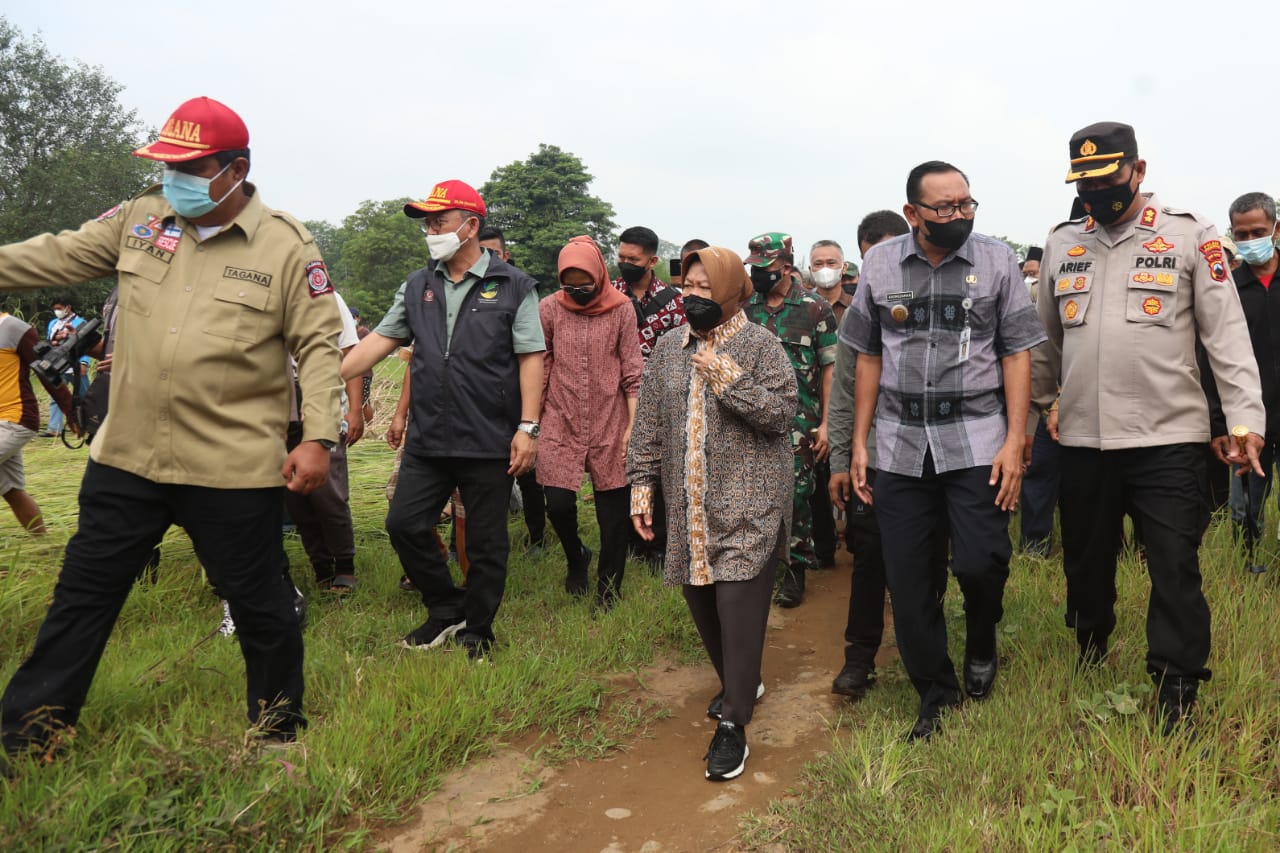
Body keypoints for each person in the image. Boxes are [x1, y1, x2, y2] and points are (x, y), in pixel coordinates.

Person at [0, 96, 343, 771]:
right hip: (127, 455)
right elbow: (55, 256)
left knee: (259, 602)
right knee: (82, 594)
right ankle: (27, 734)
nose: (171, 180)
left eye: (188, 168)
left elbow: (322, 346)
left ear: (234, 169)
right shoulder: (140, 217)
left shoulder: (285, 244)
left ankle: (276, 729)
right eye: (164, 166)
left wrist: (318, 437)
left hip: (230, 465)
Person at [1031, 122, 1265, 735]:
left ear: (1137, 170)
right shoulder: (1063, 243)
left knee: (1173, 564)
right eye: (1085, 183)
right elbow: (1044, 345)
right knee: (1084, 560)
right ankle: (1089, 642)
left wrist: (1243, 421)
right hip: (1083, 438)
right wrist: (1033, 410)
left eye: (1108, 179)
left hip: (1168, 437)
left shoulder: (1190, 235)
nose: (1097, 193)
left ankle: (1178, 681)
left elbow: (1227, 337)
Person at [847, 161, 1045, 742]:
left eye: (966, 204)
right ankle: (937, 693)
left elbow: (1016, 352)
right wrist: (859, 443)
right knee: (907, 581)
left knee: (982, 562)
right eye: (945, 208)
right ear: (913, 214)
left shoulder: (996, 260)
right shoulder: (880, 265)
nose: (959, 215)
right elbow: (867, 355)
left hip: (977, 436)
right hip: (899, 444)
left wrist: (1014, 439)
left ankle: (982, 637)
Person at [341, 179, 544, 660]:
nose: (431, 229)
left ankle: (478, 629)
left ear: (471, 226)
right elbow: (379, 342)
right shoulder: (418, 285)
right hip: (428, 437)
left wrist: (527, 427)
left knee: (486, 541)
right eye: (428, 222)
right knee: (403, 524)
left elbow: (531, 357)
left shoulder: (513, 286)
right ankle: (445, 606)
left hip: (488, 435)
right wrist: (331, 370)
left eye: (440, 220)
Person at [627, 246, 796, 782]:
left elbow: (781, 415)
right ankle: (742, 679)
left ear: (729, 290)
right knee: (702, 602)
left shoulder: (761, 346)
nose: (692, 296)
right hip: (690, 503)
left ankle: (733, 725)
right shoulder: (668, 350)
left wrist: (728, 377)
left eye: (704, 288)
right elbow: (648, 423)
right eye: (687, 286)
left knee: (736, 605)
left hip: (751, 500)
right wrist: (641, 487)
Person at [828, 209, 947, 700]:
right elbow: (844, 390)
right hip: (875, 457)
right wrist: (839, 459)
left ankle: (927, 650)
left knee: (931, 557)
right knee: (870, 556)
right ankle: (860, 657)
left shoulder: (949, 300)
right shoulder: (865, 312)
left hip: (938, 456)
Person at [538, 236, 642, 608]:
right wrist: (531, 423)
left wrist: (632, 425)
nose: (578, 292)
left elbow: (632, 370)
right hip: (560, 418)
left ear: (600, 276)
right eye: (570, 285)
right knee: (558, 505)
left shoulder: (622, 309)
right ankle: (576, 556)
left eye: (586, 285)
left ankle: (608, 590)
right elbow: (542, 365)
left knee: (612, 517)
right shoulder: (549, 309)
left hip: (609, 421)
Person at [744, 232, 837, 607]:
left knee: (797, 496)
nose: (757, 273)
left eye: (763, 267)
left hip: (800, 421)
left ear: (784, 266)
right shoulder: (745, 307)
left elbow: (830, 369)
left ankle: (796, 569)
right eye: (753, 266)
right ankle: (757, 568)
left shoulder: (815, 308)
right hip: (750, 416)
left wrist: (828, 423)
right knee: (752, 494)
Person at [1203, 193, 1280, 566]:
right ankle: (1245, 570)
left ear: (1275, 229)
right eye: (1242, 233)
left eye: (1259, 232)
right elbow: (1213, 362)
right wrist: (1219, 422)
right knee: (1245, 506)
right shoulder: (1227, 290)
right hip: (1247, 422)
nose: (1251, 241)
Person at [283, 289, 365, 592]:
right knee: (296, 497)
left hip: (323, 407)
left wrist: (355, 410)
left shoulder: (325, 296)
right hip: (279, 412)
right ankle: (321, 566)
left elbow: (350, 353)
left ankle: (345, 564)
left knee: (328, 495)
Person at [614, 226, 685, 570]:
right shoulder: (608, 293)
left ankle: (658, 543)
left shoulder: (674, 301)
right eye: (622, 257)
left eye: (633, 259)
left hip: (661, 397)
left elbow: (683, 349)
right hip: (617, 396)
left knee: (657, 467)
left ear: (652, 260)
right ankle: (627, 539)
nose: (626, 264)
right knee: (621, 465)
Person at [479, 224, 546, 552]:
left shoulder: (520, 291)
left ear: (506, 255)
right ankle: (475, 542)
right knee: (478, 479)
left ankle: (537, 537)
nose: (488, 259)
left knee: (528, 474)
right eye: (482, 252)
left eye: (493, 253)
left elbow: (533, 355)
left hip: (519, 402)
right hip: (481, 405)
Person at [0, 311, 78, 534]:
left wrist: (70, 410)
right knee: (11, 490)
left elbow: (46, 371)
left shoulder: (14, 328)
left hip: (14, 418)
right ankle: (43, 543)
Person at [1017, 246, 1060, 557]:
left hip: (1087, 409)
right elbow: (1035, 369)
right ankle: (1034, 547)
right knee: (1038, 479)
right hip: (1046, 410)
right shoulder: (1037, 316)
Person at [41, 295, 90, 437]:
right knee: (56, 396)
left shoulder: (80, 322)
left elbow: (85, 345)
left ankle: (90, 423)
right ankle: (53, 428)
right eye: (55, 309)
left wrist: (84, 362)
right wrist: (55, 341)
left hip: (75, 364)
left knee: (83, 397)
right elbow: (49, 342)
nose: (57, 311)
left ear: (68, 307)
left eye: (59, 308)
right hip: (57, 365)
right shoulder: (53, 323)